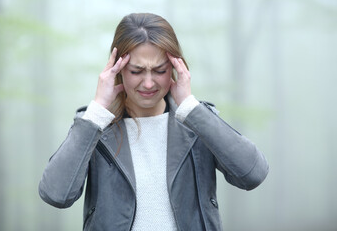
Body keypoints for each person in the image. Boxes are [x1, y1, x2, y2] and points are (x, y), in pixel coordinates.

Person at [39, 13, 269, 231]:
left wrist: (190, 107)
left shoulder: (196, 120)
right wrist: (97, 110)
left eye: (159, 70)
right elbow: (56, 194)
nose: (148, 83)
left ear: (175, 68)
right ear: (118, 70)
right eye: (136, 71)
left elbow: (252, 174)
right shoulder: (96, 126)